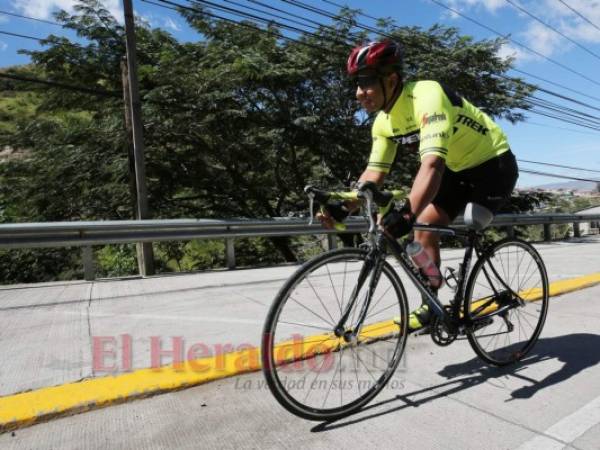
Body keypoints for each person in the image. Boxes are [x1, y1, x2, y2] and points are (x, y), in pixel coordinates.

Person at [318, 40, 518, 332]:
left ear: (391, 79)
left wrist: (406, 213)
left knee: (470, 221)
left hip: (494, 166)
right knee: (424, 227)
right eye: (356, 84)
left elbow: (432, 165)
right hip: (457, 171)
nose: (359, 93)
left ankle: (472, 296)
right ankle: (432, 306)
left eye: (366, 82)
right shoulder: (382, 123)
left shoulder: (427, 95)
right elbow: (374, 174)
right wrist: (343, 208)